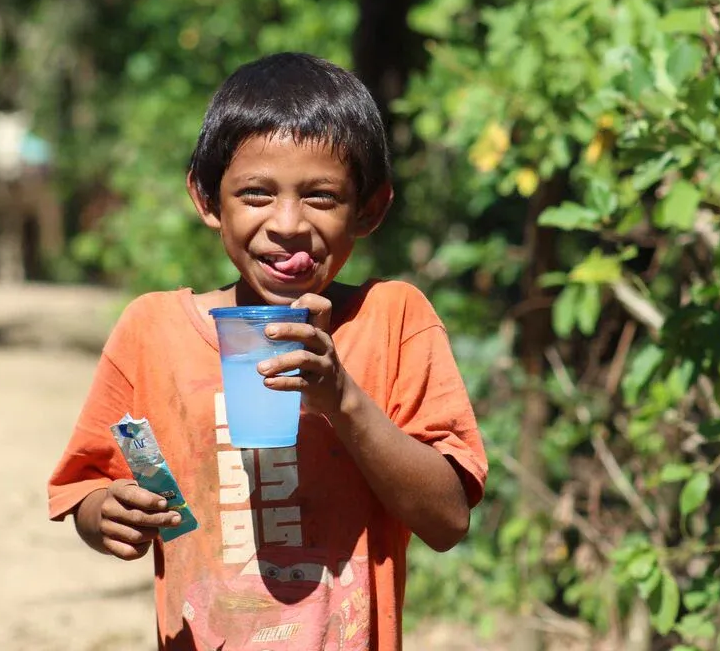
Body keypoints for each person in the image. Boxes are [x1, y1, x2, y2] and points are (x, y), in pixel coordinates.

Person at [47, 53, 488, 650]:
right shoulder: (153, 334)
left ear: (371, 208)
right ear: (208, 200)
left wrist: (343, 399)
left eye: (322, 196)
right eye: (255, 193)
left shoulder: (393, 321)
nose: (286, 223)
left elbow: (448, 520)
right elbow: (89, 490)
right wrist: (109, 517)